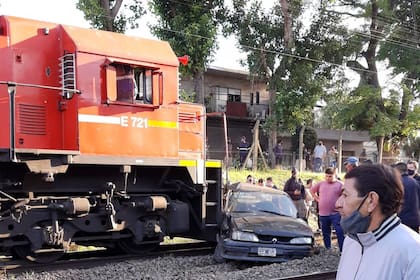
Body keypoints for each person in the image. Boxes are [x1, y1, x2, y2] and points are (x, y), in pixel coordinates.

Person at [335, 164, 420, 279]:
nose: (337, 204)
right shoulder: (351, 241)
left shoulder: (413, 252)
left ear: (371, 201)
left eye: (345, 195)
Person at [310, 167, 345, 251]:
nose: (328, 178)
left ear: (334, 175)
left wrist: (341, 205)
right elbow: (312, 190)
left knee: (339, 231)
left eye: (330, 176)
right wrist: (317, 199)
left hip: (335, 213)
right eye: (326, 176)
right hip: (323, 213)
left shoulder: (340, 184)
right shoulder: (321, 184)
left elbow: (345, 195)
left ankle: (342, 249)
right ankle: (328, 248)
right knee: (325, 232)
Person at [393, 162, 420, 233]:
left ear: (397, 171)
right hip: (415, 219)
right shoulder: (415, 182)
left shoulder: (398, 183)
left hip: (403, 219)